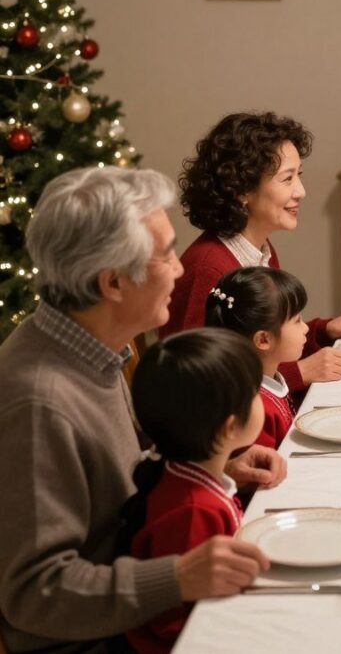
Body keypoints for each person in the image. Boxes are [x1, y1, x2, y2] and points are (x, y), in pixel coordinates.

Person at [0, 167, 284, 652]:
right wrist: (175, 577)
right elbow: (31, 595)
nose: (180, 268)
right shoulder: (40, 400)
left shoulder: (96, 344)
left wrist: (218, 462)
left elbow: (122, 479)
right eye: (166, 255)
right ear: (113, 283)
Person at [162, 112, 341, 392]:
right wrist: (300, 373)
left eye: (299, 176)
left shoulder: (258, 249)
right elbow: (201, 382)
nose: (301, 191)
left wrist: (323, 331)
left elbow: (261, 342)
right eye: (287, 179)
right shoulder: (209, 267)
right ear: (243, 190)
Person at [121, 328, 270, 653]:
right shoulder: (193, 509)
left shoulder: (185, 475)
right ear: (230, 426)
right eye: (256, 392)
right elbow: (175, 622)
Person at [206, 267, 309, 450]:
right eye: (297, 320)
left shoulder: (269, 377)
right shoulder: (253, 407)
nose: (305, 328)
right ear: (263, 339)